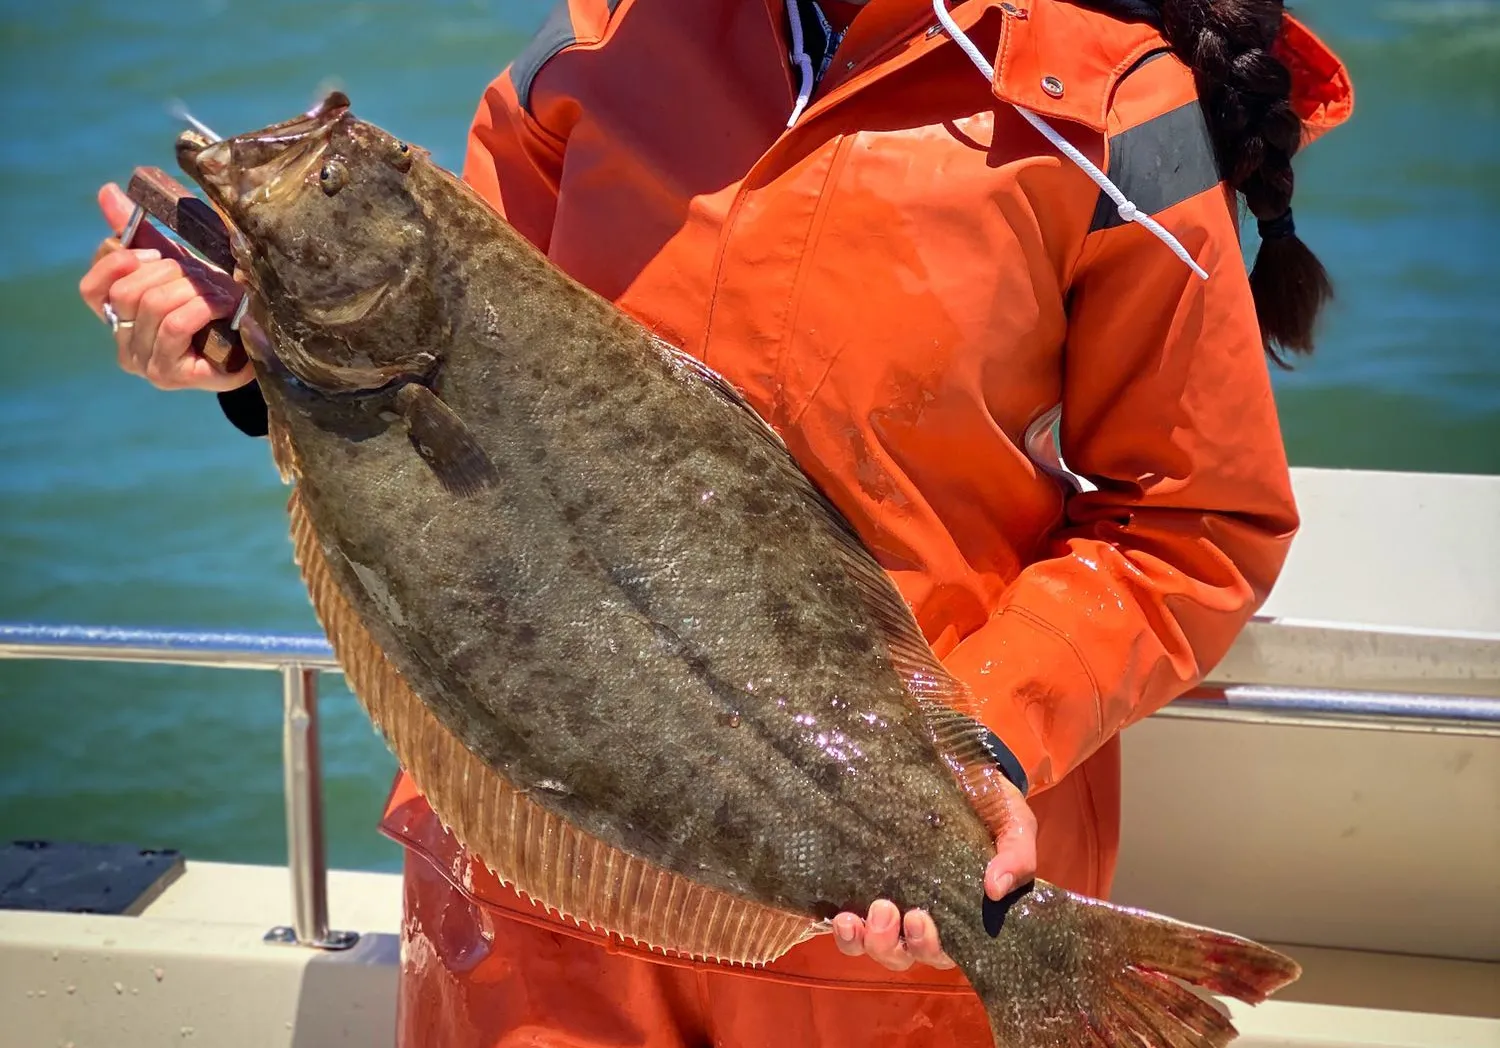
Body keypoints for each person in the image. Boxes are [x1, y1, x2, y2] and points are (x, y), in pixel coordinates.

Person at [80, 0, 1353, 1044]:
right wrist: (255, 362)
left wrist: (975, 757)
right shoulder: (590, 51)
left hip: (871, 947)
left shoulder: (1111, 113)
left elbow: (1192, 522)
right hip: (523, 919)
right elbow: (445, 402)